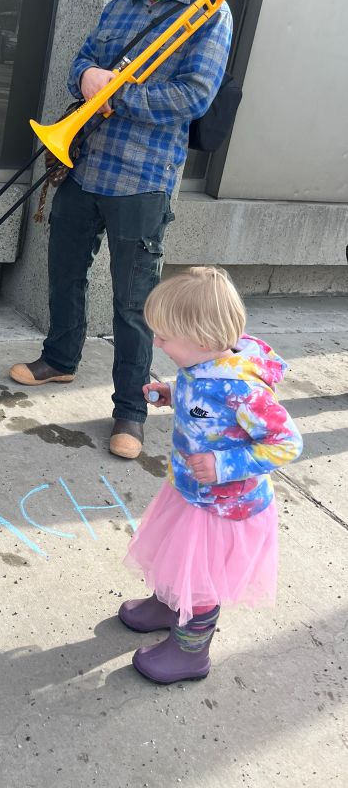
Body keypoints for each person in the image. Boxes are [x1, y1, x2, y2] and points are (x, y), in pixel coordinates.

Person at [9, 0, 233, 460]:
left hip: (144, 178)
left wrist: (112, 93)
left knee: (135, 304)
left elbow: (192, 96)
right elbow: (79, 63)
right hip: (87, 165)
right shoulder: (121, 5)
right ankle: (61, 358)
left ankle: (130, 410)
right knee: (64, 271)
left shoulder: (209, 16)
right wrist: (87, 75)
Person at [117, 266, 302, 683]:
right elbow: (204, 404)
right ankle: (169, 602)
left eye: (164, 337)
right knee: (177, 557)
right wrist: (173, 394)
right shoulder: (202, 365)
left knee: (200, 577)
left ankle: (190, 653)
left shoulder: (242, 389)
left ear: (201, 339)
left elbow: (287, 443)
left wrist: (224, 465)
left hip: (223, 507)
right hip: (190, 490)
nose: (157, 342)